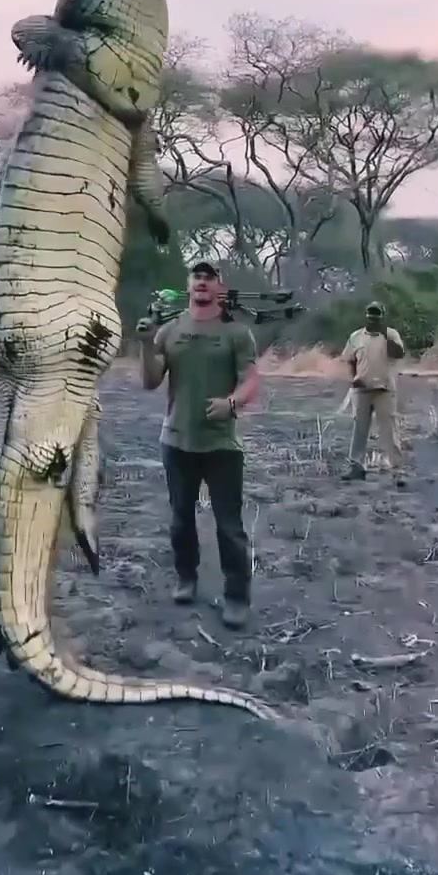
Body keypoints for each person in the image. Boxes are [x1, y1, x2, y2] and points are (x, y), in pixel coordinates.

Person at [136, 261, 260, 630]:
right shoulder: (170, 330)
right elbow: (150, 381)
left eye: (210, 277)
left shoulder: (237, 333)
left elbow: (251, 380)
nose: (202, 282)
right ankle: (185, 579)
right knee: (180, 520)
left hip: (222, 446)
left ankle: (236, 596)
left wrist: (232, 404)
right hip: (176, 442)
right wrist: (145, 344)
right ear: (188, 284)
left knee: (229, 527)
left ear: (220, 287)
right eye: (197, 276)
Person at [341, 301, 405, 482]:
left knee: (389, 429)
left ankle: (397, 469)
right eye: (370, 314)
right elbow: (350, 359)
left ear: (382, 316)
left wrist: (384, 333)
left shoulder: (391, 334)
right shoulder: (356, 336)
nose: (373, 317)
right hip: (362, 390)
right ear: (366, 315)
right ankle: (356, 467)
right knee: (359, 429)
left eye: (377, 314)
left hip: (384, 389)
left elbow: (399, 353)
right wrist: (354, 378)